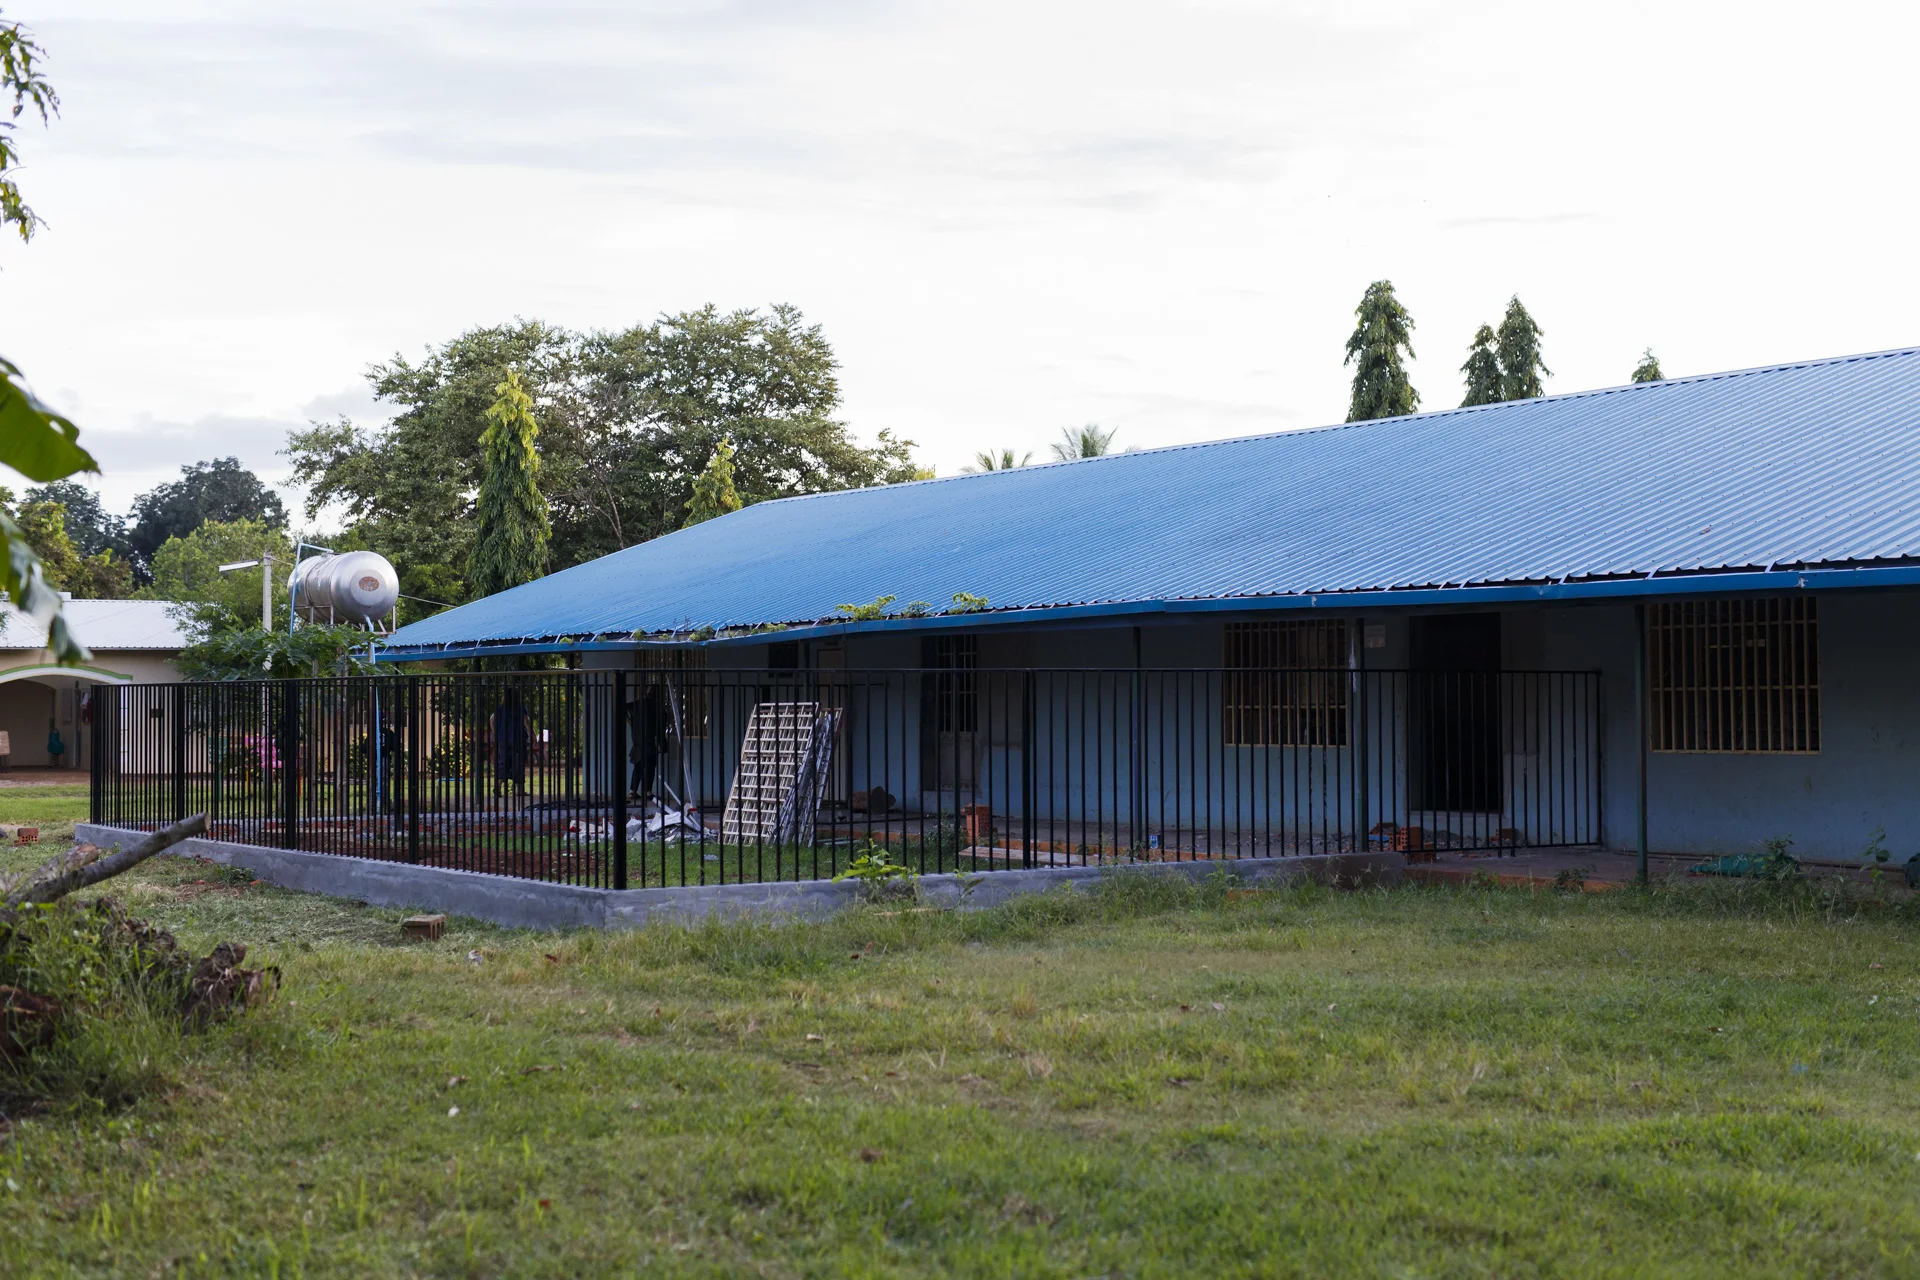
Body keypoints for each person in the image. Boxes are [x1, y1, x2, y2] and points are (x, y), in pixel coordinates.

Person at [628, 685, 669, 799]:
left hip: (639, 741)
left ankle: (632, 791)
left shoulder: (638, 704)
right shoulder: (658, 707)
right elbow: (662, 725)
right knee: (650, 766)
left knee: (639, 766)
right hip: (652, 741)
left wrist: (631, 723)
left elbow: (623, 708)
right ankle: (647, 792)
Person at [491, 690, 530, 797]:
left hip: (503, 739)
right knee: (518, 763)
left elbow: (492, 719)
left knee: (503, 763)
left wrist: (497, 733)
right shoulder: (520, 707)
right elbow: (526, 720)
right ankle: (519, 790)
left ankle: (498, 788)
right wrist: (532, 734)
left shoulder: (500, 708)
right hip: (517, 738)